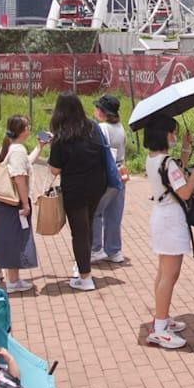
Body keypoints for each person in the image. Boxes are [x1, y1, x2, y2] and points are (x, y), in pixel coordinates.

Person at [143, 116, 194, 349]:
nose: (174, 136)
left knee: (164, 273)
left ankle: (163, 318)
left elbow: (175, 175)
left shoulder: (154, 159)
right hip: (170, 221)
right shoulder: (168, 163)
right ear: (164, 134)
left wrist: (185, 149)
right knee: (169, 275)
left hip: (162, 218)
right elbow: (185, 192)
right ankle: (159, 329)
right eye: (172, 132)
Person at [47, 92, 111, 292]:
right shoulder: (92, 127)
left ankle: (85, 277)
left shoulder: (61, 136)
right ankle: (83, 266)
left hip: (75, 190)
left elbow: (55, 169)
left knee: (79, 232)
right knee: (88, 226)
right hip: (97, 186)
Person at [0, 116, 39, 292]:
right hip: (12, 203)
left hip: (1, 201)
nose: (29, 128)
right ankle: (13, 281)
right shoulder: (18, 150)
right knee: (14, 238)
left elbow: (26, 163)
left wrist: (39, 147)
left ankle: (0, 272)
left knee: (3, 237)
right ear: (23, 131)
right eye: (27, 126)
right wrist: (25, 204)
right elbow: (19, 177)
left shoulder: (10, 147)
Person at [90, 95, 129, 265]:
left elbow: (99, 151)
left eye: (97, 107)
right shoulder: (120, 127)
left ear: (102, 112)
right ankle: (114, 250)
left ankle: (95, 248)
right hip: (121, 171)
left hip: (107, 173)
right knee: (114, 213)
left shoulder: (102, 128)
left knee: (95, 211)